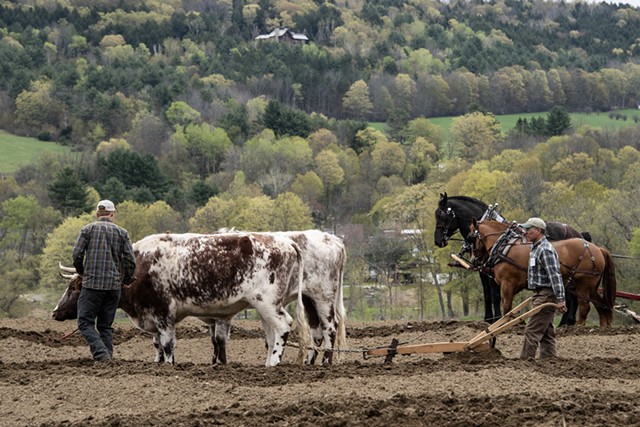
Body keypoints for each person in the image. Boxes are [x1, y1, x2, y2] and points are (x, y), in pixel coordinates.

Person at [72, 200, 136, 364]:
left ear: (97, 214)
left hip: (92, 285)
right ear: (112, 214)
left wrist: (82, 272)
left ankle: (101, 355)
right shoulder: (122, 233)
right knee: (105, 326)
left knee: (84, 322)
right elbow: (130, 261)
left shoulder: (87, 230)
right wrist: (126, 280)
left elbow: (77, 255)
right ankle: (106, 360)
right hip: (114, 287)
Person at [519, 217, 567, 359]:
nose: (525, 232)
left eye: (528, 229)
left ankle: (525, 361)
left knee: (531, 330)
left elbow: (555, 276)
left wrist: (560, 299)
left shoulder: (545, 250)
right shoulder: (535, 248)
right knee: (546, 332)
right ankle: (549, 360)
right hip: (540, 294)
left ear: (538, 230)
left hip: (546, 295)